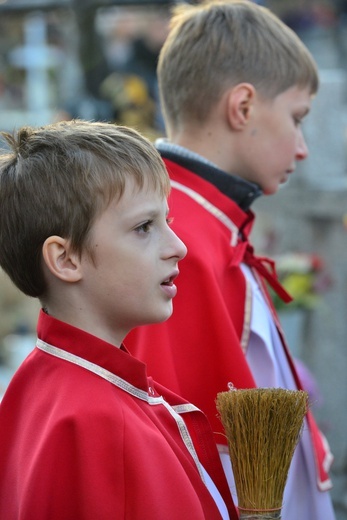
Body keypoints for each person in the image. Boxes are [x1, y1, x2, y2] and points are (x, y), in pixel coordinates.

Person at [125, 1, 336, 518]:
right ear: (242, 107)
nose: (303, 147)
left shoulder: (211, 224)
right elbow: (172, 448)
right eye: (297, 118)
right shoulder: (180, 243)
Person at [0, 120, 238, 520]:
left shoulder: (52, 382)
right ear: (66, 259)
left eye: (169, 221)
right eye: (144, 227)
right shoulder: (92, 423)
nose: (178, 247)